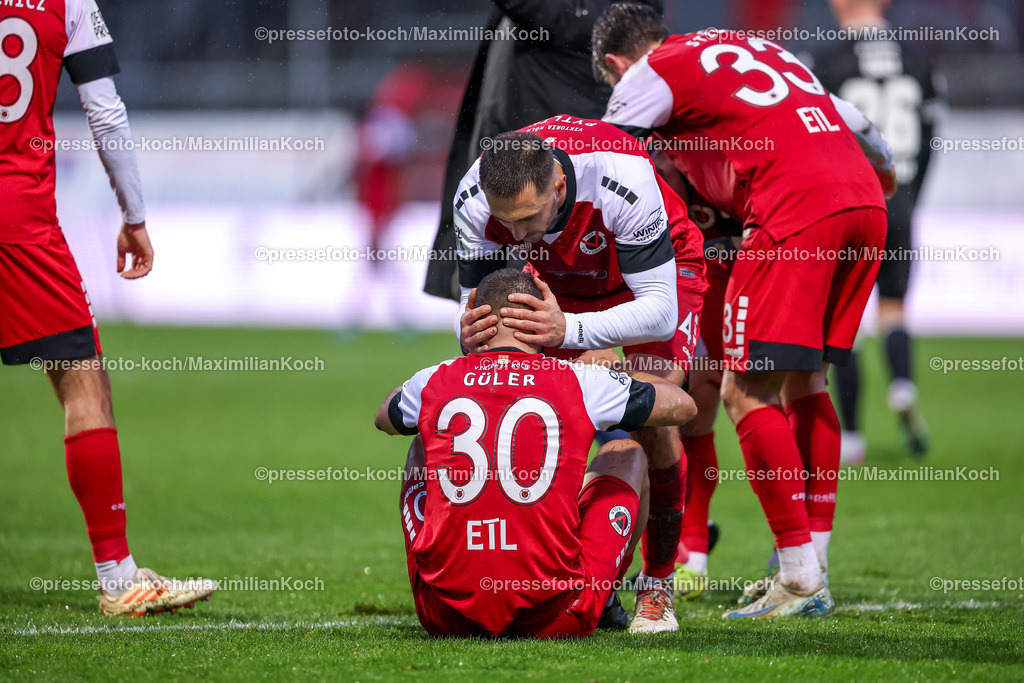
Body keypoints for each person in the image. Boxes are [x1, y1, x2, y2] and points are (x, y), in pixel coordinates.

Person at [594, 3, 896, 618]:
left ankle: (798, 577)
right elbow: (863, 126)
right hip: (863, 205)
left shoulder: (649, 74)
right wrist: (882, 181)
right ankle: (814, 562)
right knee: (807, 382)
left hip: (793, 211)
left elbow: (606, 159)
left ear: (615, 66)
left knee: (742, 393)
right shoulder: (746, 55)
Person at [0, 0, 216, 615]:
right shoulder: (67, 3)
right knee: (83, 383)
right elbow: (104, 112)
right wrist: (135, 215)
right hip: (19, 219)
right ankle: (118, 576)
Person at [454, 117, 706, 632]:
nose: (518, 235)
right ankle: (581, 575)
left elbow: (658, 310)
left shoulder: (620, 177)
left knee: (654, 416)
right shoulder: (474, 199)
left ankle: (657, 585)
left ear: (560, 186)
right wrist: (481, 337)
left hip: (655, 278)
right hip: (555, 289)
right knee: (527, 404)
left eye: (527, 218)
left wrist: (569, 332)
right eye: (508, 226)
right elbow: (474, 321)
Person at [375, 268, 697, 638]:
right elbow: (683, 406)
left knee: (420, 444)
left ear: (475, 314)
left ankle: (449, 576)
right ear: (546, 313)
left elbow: (385, 417)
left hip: (445, 615)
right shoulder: (579, 379)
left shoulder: (433, 378)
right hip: (557, 614)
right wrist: (611, 367)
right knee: (628, 452)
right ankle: (621, 592)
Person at [423, 0, 665, 302]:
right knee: (490, 310)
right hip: (518, 171)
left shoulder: (587, 15)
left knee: (525, 311)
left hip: (550, 188)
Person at [807, 0, 945, 463]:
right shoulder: (917, 54)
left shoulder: (826, 58)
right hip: (901, 199)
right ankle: (903, 387)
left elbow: (815, 136)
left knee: (845, 322)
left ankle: (851, 435)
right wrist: (911, 194)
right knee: (894, 310)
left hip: (852, 201)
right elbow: (931, 138)